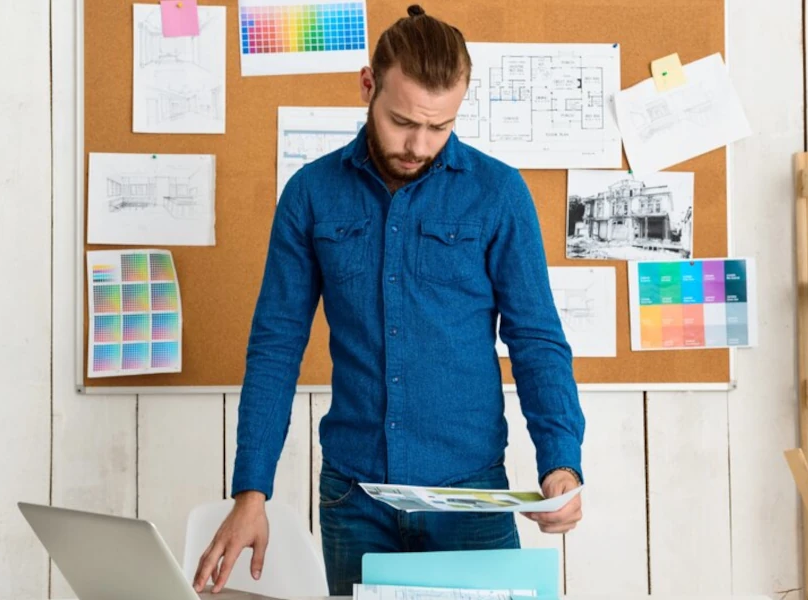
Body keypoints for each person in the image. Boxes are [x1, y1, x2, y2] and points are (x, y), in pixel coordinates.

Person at [193, 5, 585, 595]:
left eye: (440, 127)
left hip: (471, 496)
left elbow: (536, 339)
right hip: (354, 499)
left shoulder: (499, 192)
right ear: (367, 85)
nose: (419, 144)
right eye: (403, 121)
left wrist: (561, 462)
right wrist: (252, 492)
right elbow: (276, 347)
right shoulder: (311, 195)